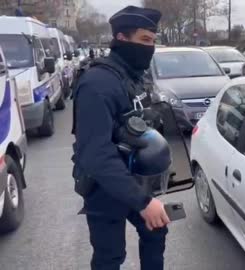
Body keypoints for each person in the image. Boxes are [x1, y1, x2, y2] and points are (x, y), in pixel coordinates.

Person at [71, 6, 170, 270]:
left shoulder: (134, 76)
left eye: (153, 41)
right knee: (110, 257)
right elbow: (95, 154)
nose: (150, 48)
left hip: (136, 179)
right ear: (122, 39)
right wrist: (143, 202)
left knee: (156, 231)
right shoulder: (98, 83)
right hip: (104, 186)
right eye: (145, 40)